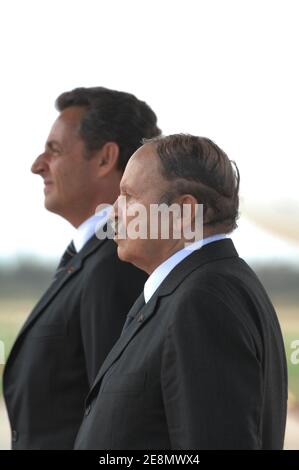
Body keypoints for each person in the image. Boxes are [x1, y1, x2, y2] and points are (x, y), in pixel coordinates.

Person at [74, 134, 288, 450]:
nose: (113, 212)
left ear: (183, 213)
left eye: (129, 196)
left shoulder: (203, 302)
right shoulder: (192, 290)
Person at [3, 87, 160, 449]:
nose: (37, 164)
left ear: (106, 158)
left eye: (54, 150)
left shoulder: (118, 264)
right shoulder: (94, 257)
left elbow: (120, 425)